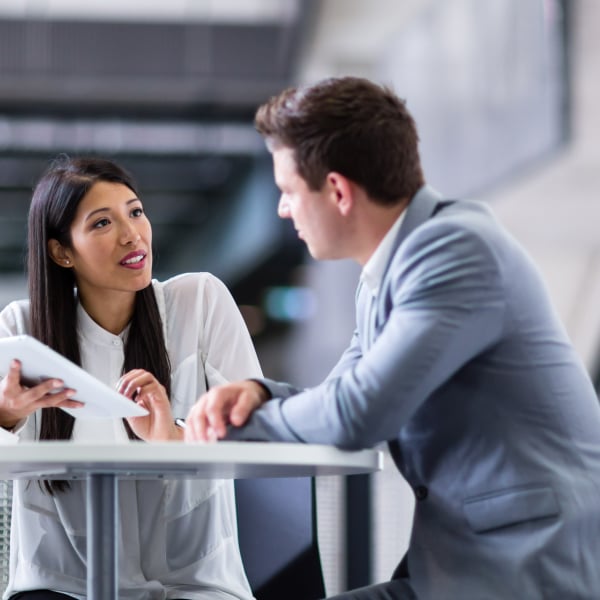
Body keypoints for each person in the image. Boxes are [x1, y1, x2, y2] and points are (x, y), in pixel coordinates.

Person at [184, 77, 600, 599]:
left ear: (337, 191)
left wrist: (231, 431)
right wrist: (260, 394)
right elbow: (341, 395)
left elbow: (357, 415)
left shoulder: (455, 252)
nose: (282, 210)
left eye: (288, 191)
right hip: (458, 565)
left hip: (528, 568)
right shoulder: (386, 273)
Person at [0, 157, 261, 600]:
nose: (132, 234)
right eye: (102, 222)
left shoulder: (199, 301)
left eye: (135, 212)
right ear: (61, 252)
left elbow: (259, 432)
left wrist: (173, 439)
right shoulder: (22, 329)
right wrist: (6, 419)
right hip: (61, 584)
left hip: (192, 583)